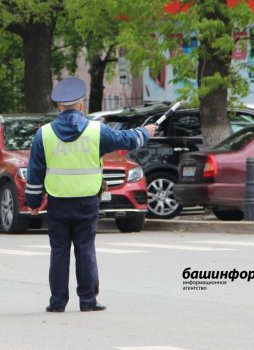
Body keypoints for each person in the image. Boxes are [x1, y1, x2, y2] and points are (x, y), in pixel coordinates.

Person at [24, 77, 158, 313]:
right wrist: (145, 132)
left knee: (59, 251)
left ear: (59, 106)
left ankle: (57, 303)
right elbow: (127, 139)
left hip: (57, 201)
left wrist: (33, 203)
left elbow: (35, 174)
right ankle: (88, 301)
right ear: (81, 105)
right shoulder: (96, 131)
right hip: (87, 201)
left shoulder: (43, 135)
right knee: (85, 249)